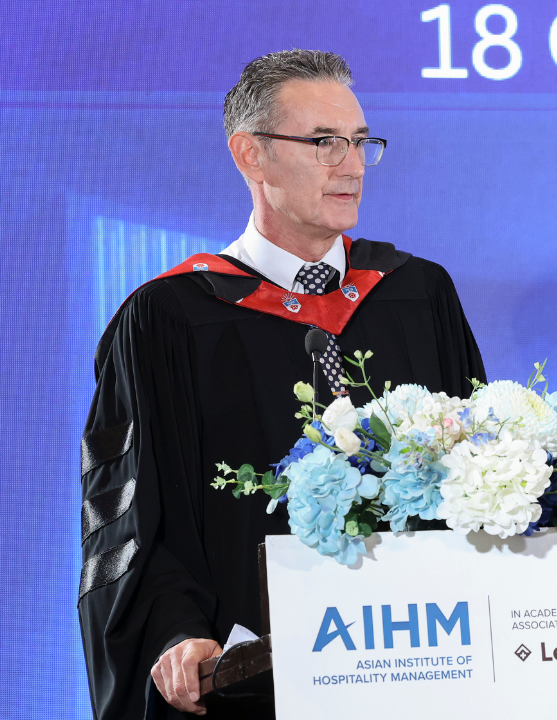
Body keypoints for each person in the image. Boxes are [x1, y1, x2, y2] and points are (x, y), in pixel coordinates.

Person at [77, 50, 485, 719]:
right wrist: (174, 631)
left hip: (423, 658)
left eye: (360, 141)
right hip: (253, 678)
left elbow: (476, 469)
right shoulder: (169, 318)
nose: (352, 165)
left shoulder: (418, 293)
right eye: (324, 142)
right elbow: (130, 513)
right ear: (252, 155)